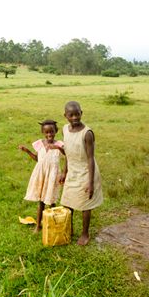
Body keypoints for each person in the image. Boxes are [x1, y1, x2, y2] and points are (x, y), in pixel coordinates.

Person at [60, 100, 103, 246]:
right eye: (71, 115)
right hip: (72, 171)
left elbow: (90, 158)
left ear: (81, 113)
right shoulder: (65, 129)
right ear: (65, 115)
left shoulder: (87, 134)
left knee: (85, 204)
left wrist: (90, 183)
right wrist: (64, 172)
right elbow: (67, 153)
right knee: (67, 202)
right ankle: (69, 229)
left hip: (86, 172)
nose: (74, 118)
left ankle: (85, 233)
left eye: (77, 114)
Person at [19, 120, 65, 233]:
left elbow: (66, 154)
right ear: (43, 132)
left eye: (52, 132)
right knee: (41, 202)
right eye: (47, 132)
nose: (49, 134)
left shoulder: (59, 144)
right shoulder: (39, 144)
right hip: (41, 175)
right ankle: (38, 225)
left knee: (52, 201)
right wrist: (27, 151)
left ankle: (53, 224)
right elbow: (37, 159)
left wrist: (57, 148)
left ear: (56, 131)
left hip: (53, 176)